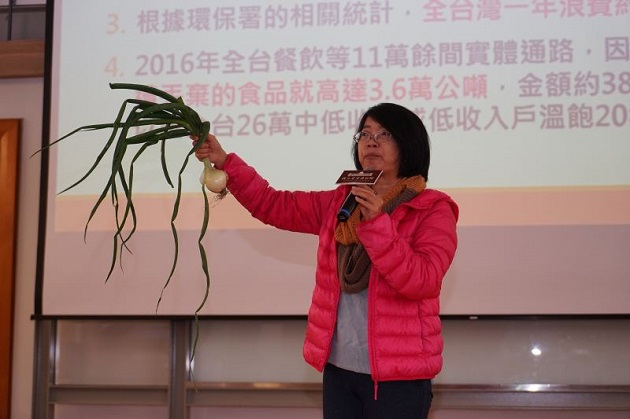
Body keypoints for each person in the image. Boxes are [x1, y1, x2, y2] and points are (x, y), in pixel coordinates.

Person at [193, 103, 458, 419]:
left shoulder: (432, 209)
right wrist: (226, 163)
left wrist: (377, 223)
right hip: (339, 369)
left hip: (398, 379)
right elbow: (273, 204)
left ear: (409, 144)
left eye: (385, 134)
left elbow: (422, 281)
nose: (371, 141)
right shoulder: (342, 201)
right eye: (365, 134)